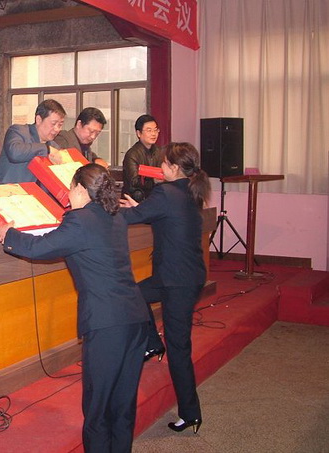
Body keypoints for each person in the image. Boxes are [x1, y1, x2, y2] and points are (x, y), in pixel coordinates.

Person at [0, 164, 149, 453]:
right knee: (122, 404)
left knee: (97, 408)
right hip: (135, 318)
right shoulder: (113, 216)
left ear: (80, 189)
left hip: (107, 324)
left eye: (70, 189)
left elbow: (39, 248)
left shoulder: (80, 219)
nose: (68, 196)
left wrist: (9, 234)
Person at [120, 142, 211, 435]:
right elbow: (159, 214)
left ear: (173, 168)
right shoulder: (188, 191)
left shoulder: (166, 193)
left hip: (177, 282)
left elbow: (128, 218)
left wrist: (94, 209)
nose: (160, 167)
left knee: (179, 348)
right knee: (135, 293)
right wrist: (140, 209)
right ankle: (152, 344)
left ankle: (190, 413)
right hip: (182, 276)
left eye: (163, 163)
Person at [0, 99, 66, 183]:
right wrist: (46, 149)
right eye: (53, 124)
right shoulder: (18, 131)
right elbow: (15, 153)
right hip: (10, 189)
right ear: (39, 120)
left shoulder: (54, 146)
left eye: (60, 125)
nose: (57, 129)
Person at [122, 114, 162, 202]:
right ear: (139, 133)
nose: (153, 134)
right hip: (134, 198)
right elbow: (134, 182)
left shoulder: (160, 152)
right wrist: (153, 181)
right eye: (149, 130)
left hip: (154, 196)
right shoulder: (132, 154)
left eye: (155, 130)